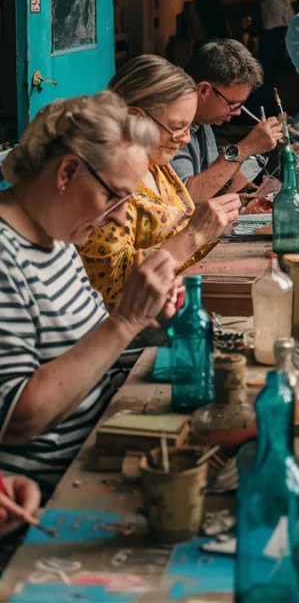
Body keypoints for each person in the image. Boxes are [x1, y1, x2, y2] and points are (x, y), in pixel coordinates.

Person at [0, 92, 178, 494]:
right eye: (114, 196)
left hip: (97, 451)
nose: (119, 216)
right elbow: (16, 419)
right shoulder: (5, 254)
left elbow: (90, 354)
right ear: (67, 172)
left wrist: (151, 320)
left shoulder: (58, 235)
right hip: (46, 496)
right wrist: (125, 321)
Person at [79, 56, 240, 309]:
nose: (186, 139)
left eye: (188, 127)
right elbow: (114, 289)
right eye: (177, 127)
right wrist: (195, 234)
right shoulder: (105, 183)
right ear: (135, 117)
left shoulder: (157, 164)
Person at [171, 40, 283, 202]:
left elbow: (214, 187)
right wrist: (245, 148)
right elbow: (185, 198)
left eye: (241, 105)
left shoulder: (205, 121)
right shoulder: (172, 123)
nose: (237, 112)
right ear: (204, 90)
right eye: (232, 104)